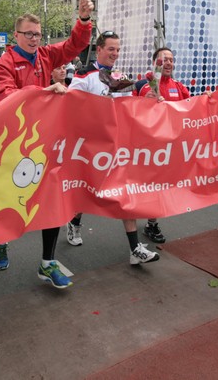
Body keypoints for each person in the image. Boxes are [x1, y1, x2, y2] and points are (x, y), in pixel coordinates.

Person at [0, 0, 94, 287]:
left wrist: (84, 19)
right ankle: (1, 242)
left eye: (37, 34)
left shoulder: (46, 55)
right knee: (10, 201)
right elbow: (6, 97)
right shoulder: (4, 64)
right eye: (29, 34)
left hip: (46, 142)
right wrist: (46, 91)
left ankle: (47, 262)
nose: (35, 39)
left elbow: (75, 44)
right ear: (16, 35)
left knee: (52, 201)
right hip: (15, 145)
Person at [65, 31, 159, 265]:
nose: (115, 53)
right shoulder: (84, 75)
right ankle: (74, 222)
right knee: (85, 191)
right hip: (89, 147)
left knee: (125, 193)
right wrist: (98, 106)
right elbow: (70, 104)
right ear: (99, 50)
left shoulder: (119, 76)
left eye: (118, 49)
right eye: (111, 49)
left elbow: (131, 104)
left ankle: (134, 249)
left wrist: (148, 101)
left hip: (116, 146)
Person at [136, 46, 190, 243]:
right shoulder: (144, 86)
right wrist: (145, 101)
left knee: (160, 188)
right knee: (145, 188)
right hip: (148, 148)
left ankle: (151, 223)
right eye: (164, 60)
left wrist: (208, 99)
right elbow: (131, 112)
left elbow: (192, 108)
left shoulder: (179, 86)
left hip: (169, 148)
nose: (168, 63)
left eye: (171, 60)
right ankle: (136, 222)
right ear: (155, 63)